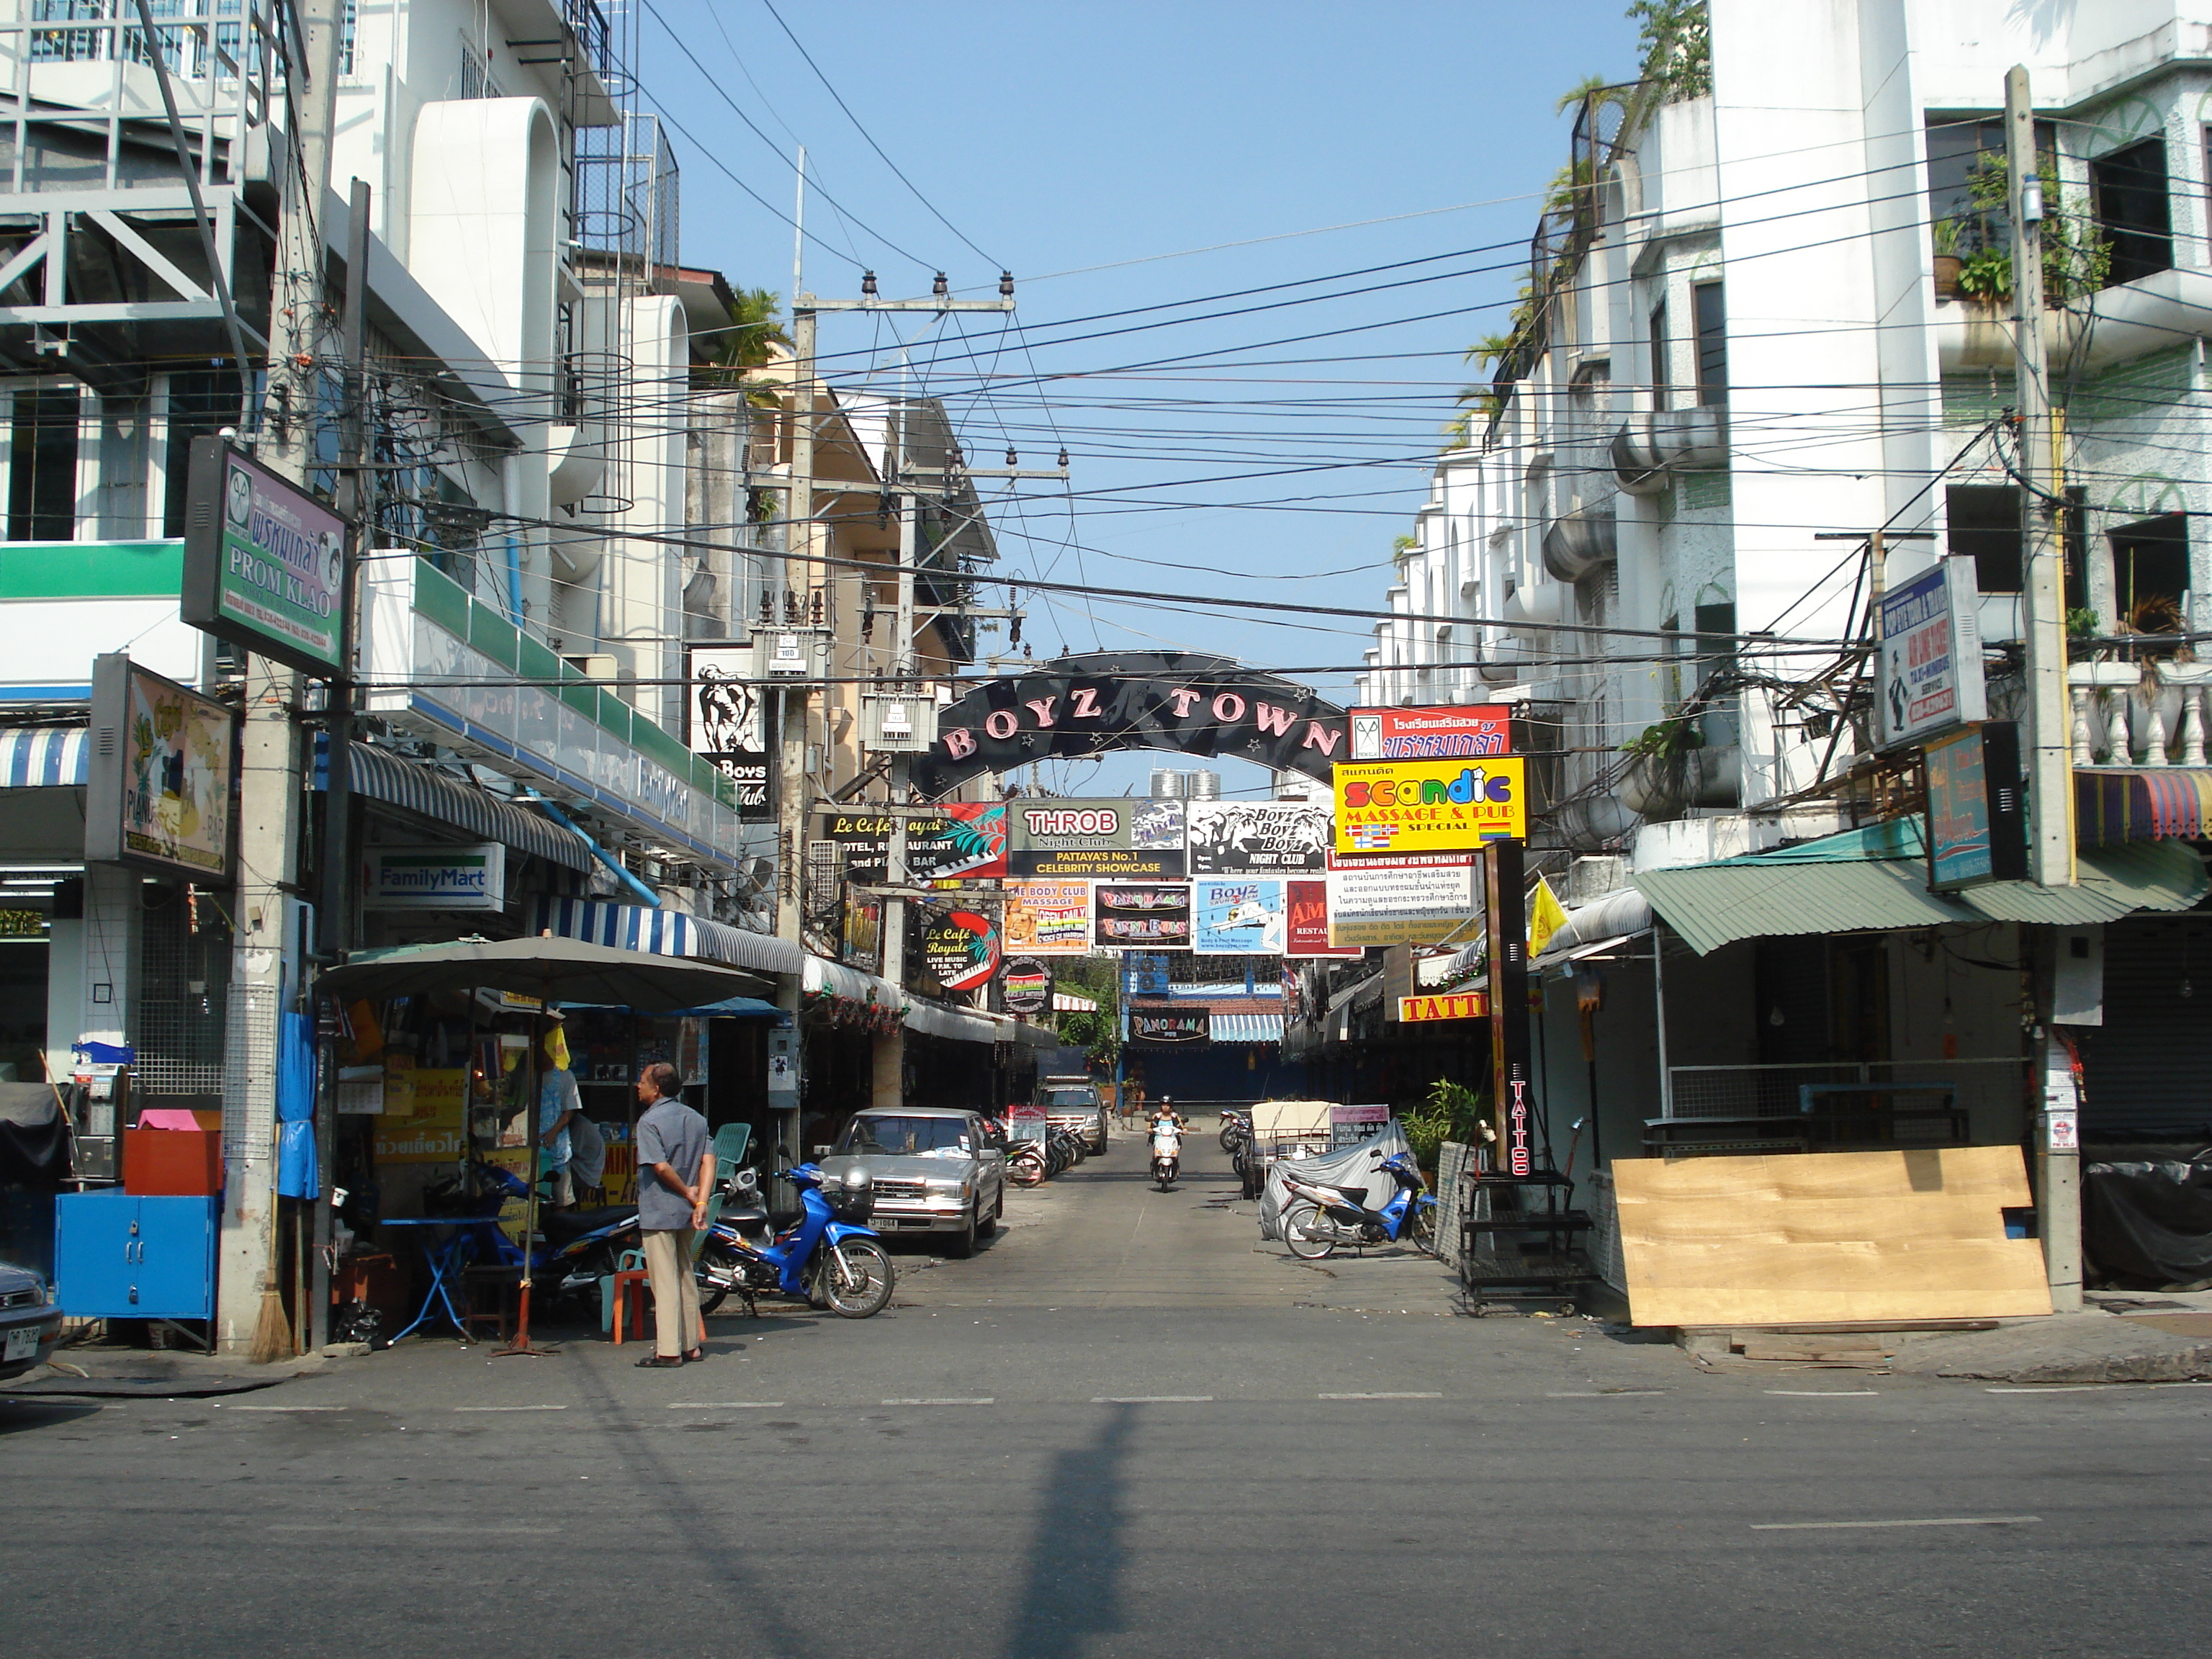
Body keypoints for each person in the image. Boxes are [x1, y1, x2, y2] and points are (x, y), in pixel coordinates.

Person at [633, 1062, 714, 1369]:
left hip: (660, 1208)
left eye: (642, 1081)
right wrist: (701, 1200)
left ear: (656, 1089)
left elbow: (661, 1167)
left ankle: (668, 1350)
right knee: (684, 1275)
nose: (637, 1086)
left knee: (664, 1281)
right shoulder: (695, 1118)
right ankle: (691, 1344)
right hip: (687, 1214)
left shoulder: (649, 1122)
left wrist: (685, 1192)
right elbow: (708, 1161)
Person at [536, 1025, 581, 1208]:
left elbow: (570, 1110)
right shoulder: (530, 1075)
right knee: (537, 1194)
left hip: (558, 1145)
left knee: (561, 1198)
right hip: (534, 1146)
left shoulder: (566, 1077)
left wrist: (554, 1132)